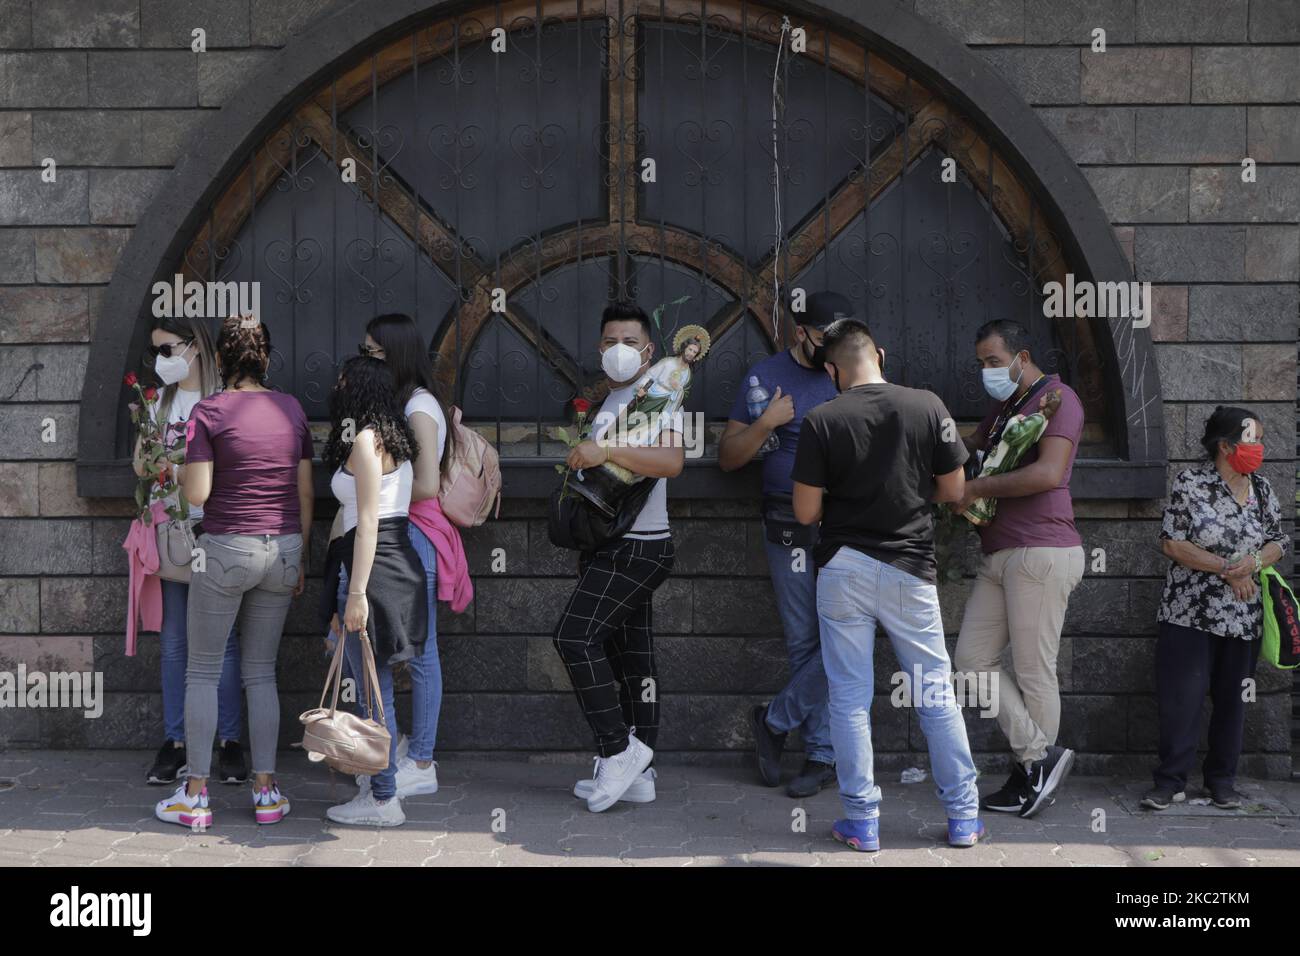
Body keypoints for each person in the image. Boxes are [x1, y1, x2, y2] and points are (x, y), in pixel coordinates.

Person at [792, 317, 984, 852]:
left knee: (849, 700)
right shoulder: (928, 404)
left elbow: (806, 512)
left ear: (833, 369)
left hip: (844, 568)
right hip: (909, 567)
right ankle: (964, 818)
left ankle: (862, 822)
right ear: (879, 352)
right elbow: (955, 489)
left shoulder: (821, 419)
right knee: (935, 694)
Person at [154, 315, 313, 829]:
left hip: (225, 547)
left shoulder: (211, 411)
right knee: (260, 671)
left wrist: (175, 467)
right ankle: (266, 793)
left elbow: (198, 494)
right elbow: (304, 492)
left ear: (220, 361)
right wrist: (300, 556)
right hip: (284, 547)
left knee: (202, 670)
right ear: (265, 358)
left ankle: (196, 796)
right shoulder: (291, 409)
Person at [332, 313, 470, 801]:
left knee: (422, 654)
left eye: (376, 353)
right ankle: (406, 753)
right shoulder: (397, 403)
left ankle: (422, 760)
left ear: (399, 354)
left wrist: (378, 498)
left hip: (417, 537)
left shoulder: (418, 406)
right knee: (403, 654)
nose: (368, 360)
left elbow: (427, 484)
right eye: (364, 351)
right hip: (398, 536)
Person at [952, 319, 1085, 819]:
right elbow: (968, 448)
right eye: (982, 363)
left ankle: (1031, 776)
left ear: (1021, 356)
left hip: (1040, 551)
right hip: (1000, 552)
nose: (987, 370)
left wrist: (975, 490)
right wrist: (929, 426)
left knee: (1033, 671)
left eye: (993, 361)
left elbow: (1049, 473)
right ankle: (1037, 760)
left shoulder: (1059, 399)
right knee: (970, 661)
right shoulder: (1006, 406)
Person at [554, 301, 683, 813]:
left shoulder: (659, 399)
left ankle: (617, 749)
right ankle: (641, 773)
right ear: (598, 348)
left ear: (649, 352)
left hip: (639, 548)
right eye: (610, 342)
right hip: (614, 544)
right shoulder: (611, 400)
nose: (618, 350)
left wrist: (602, 451)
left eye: (630, 342)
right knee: (633, 661)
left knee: (573, 636)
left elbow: (672, 462)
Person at [719, 291, 840, 797]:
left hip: (846, 522)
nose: (830, 348)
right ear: (800, 333)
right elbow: (728, 457)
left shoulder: (848, 373)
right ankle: (821, 755)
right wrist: (767, 422)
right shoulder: (764, 376)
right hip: (787, 521)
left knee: (845, 633)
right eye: (822, 339)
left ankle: (774, 720)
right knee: (804, 639)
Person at [1142, 407, 1288, 811]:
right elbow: (1172, 542)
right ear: (1225, 446)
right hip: (1189, 613)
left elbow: (1279, 540)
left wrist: (1254, 564)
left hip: (1243, 617)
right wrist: (1228, 569)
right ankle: (1169, 781)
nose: (1257, 449)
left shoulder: (1262, 489)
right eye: (1250, 441)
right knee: (1181, 699)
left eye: (1259, 440)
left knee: (1233, 700)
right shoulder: (1191, 484)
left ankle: (1222, 780)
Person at [133, 315, 246, 787]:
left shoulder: (223, 403)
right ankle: (176, 740)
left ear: (194, 348)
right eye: (156, 351)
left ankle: (231, 742)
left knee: (225, 641)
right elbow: (140, 464)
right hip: (172, 535)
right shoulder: (160, 404)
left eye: (168, 349)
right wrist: (156, 459)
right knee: (175, 640)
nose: (162, 361)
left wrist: (180, 466)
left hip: (217, 532)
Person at [322, 355, 429, 827]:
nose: (336, 387)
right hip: (391, 563)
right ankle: (378, 782)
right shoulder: (395, 438)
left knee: (372, 689)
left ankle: (384, 798)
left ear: (357, 387)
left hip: (372, 569)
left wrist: (355, 595)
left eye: (343, 380)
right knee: (375, 684)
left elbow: (366, 522)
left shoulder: (367, 441)